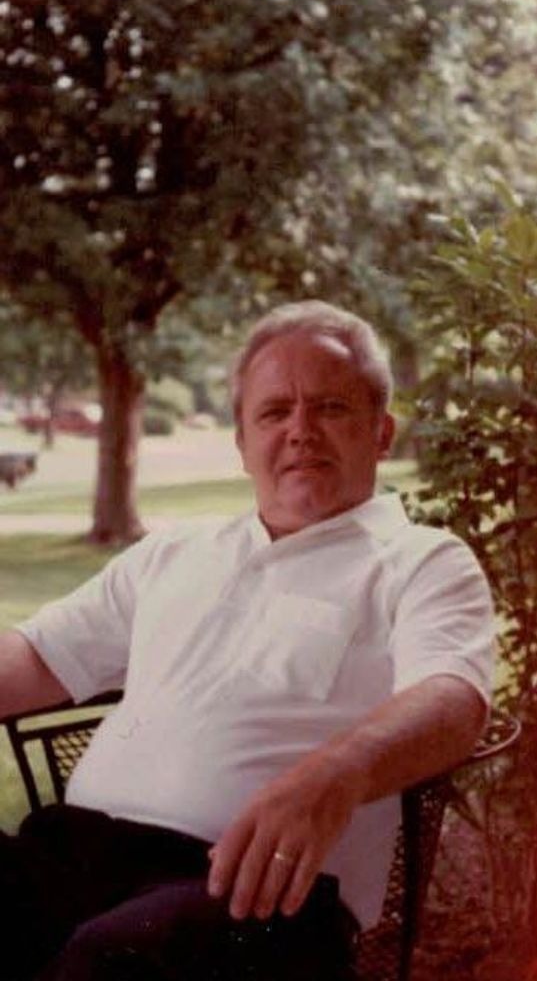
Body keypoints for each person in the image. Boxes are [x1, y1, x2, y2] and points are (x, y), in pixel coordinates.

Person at [0, 301, 494, 981]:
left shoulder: (421, 562)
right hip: (76, 858)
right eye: (274, 412)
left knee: (110, 960)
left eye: (329, 408)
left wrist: (337, 771)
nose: (300, 431)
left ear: (381, 432)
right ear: (241, 443)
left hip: (251, 893)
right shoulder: (172, 552)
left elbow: (454, 699)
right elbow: (35, 657)